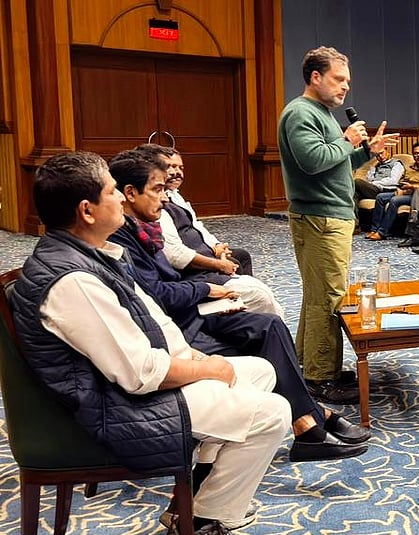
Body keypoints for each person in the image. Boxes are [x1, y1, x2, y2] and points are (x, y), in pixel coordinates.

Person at [13, 151, 291, 535]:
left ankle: (192, 504)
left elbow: (152, 325)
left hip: (124, 390)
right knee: (272, 413)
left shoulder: (90, 254)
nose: (121, 201)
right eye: (112, 192)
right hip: (115, 407)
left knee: (261, 372)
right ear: (87, 211)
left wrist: (193, 357)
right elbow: (142, 374)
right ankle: (193, 531)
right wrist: (208, 369)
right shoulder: (73, 280)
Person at [105, 149, 370, 462]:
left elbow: (167, 282)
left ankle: (309, 418)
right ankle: (310, 422)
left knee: (269, 325)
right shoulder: (123, 240)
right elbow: (156, 297)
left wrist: (207, 293)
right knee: (263, 339)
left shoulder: (143, 229)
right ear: (129, 193)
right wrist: (205, 289)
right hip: (181, 326)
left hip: (192, 310)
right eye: (158, 189)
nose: (164, 199)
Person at [277, 46, 395, 398]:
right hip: (321, 218)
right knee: (328, 297)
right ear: (316, 77)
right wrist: (347, 141)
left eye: (347, 81)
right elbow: (313, 161)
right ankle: (320, 378)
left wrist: (365, 152)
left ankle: (309, 364)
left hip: (331, 215)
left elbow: (335, 163)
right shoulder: (301, 113)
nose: (345, 88)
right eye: (338, 79)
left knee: (318, 295)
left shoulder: (323, 112)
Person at [143, 145, 283, 317]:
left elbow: (196, 226)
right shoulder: (157, 208)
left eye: (180, 168)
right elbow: (175, 255)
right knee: (261, 296)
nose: (175, 173)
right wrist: (218, 264)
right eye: (170, 167)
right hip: (194, 277)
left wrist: (216, 246)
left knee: (247, 269)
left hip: (205, 264)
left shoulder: (174, 196)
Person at [383, 142, 419, 245]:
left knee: (395, 200)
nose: (418, 155)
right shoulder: (409, 167)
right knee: (381, 197)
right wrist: (401, 188)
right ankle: (380, 230)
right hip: (407, 193)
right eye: (415, 153)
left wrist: (412, 186)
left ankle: (386, 232)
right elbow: (401, 181)